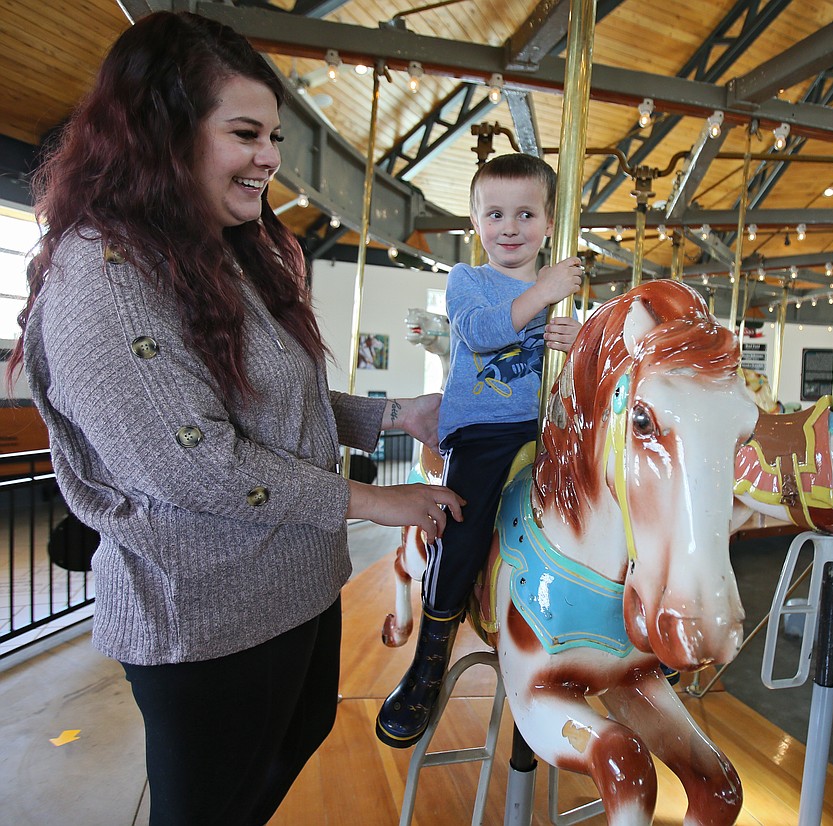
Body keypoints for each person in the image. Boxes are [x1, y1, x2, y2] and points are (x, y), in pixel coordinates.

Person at [5, 12, 463, 825]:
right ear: (163, 134)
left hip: (291, 585)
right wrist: (376, 501)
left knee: (288, 751)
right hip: (206, 617)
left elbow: (265, 399)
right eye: (246, 134)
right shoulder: (103, 280)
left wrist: (399, 413)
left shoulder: (213, 253)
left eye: (275, 137)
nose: (269, 160)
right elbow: (197, 460)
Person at [376, 153, 582, 748]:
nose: (510, 228)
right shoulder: (468, 282)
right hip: (483, 432)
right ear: (475, 222)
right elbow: (486, 332)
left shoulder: (555, 297)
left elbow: (567, 375)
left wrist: (576, 341)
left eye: (525, 214)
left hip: (541, 430)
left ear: (548, 224)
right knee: (463, 532)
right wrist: (543, 292)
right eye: (495, 214)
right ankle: (428, 661)